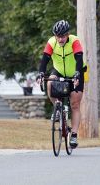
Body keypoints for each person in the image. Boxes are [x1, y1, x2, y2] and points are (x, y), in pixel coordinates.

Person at [37, 20, 86, 149]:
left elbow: (79, 59)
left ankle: (74, 135)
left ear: (68, 34)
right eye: (57, 36)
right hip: (58, 71)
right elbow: (45, 59)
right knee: (50, 84)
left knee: (75, 104)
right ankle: (57, 108)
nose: (60, 39)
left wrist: (77, 74)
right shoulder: (51, 42)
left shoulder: (74, 41)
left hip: (76, 71)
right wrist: (41, 73)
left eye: (63, 36)